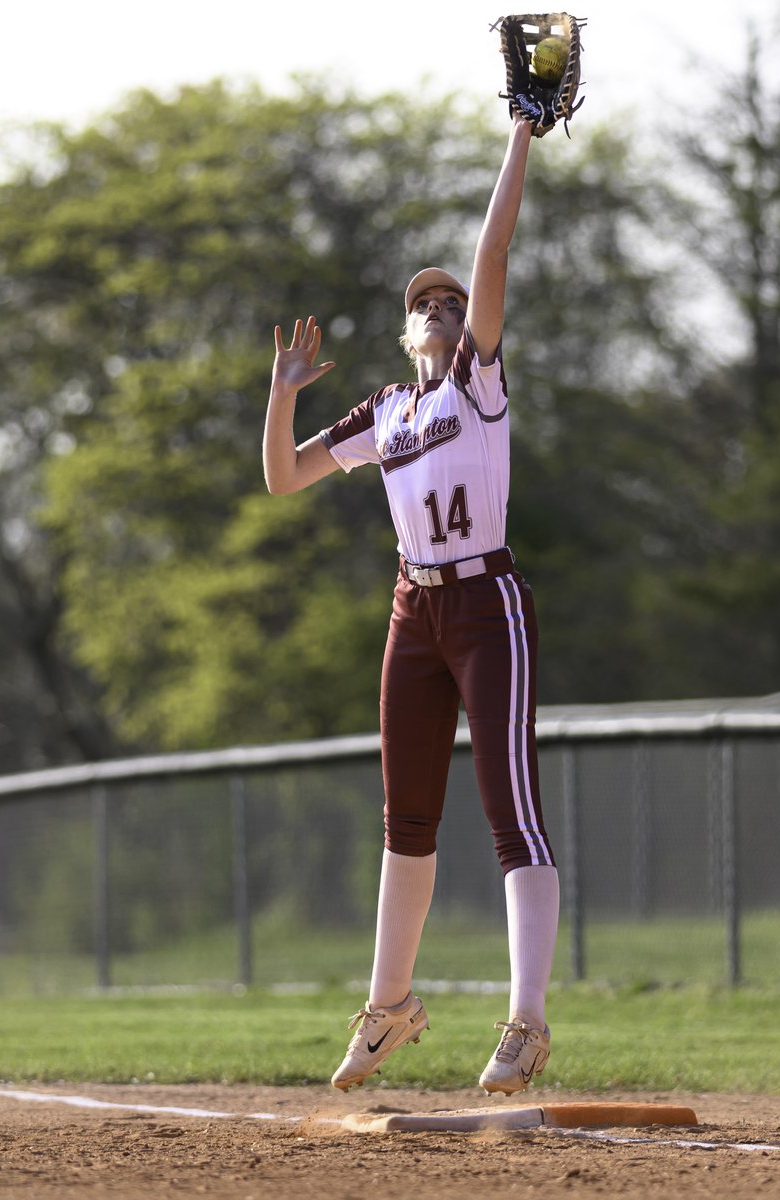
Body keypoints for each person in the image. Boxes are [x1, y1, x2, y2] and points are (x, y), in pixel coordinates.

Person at [261, 114, 559, 1096]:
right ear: (403, 330)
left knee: (509, 809)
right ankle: (389, 1011)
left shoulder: (475, 382)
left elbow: (493, 246)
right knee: (408, 821)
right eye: (422, 301)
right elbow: (282, 478)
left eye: (449, 299)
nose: (436, 304)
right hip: (413, 614)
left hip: (484, 603)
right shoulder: (386, 409)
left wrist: (520, 133)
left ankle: (524, 1024)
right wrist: (284, 392)